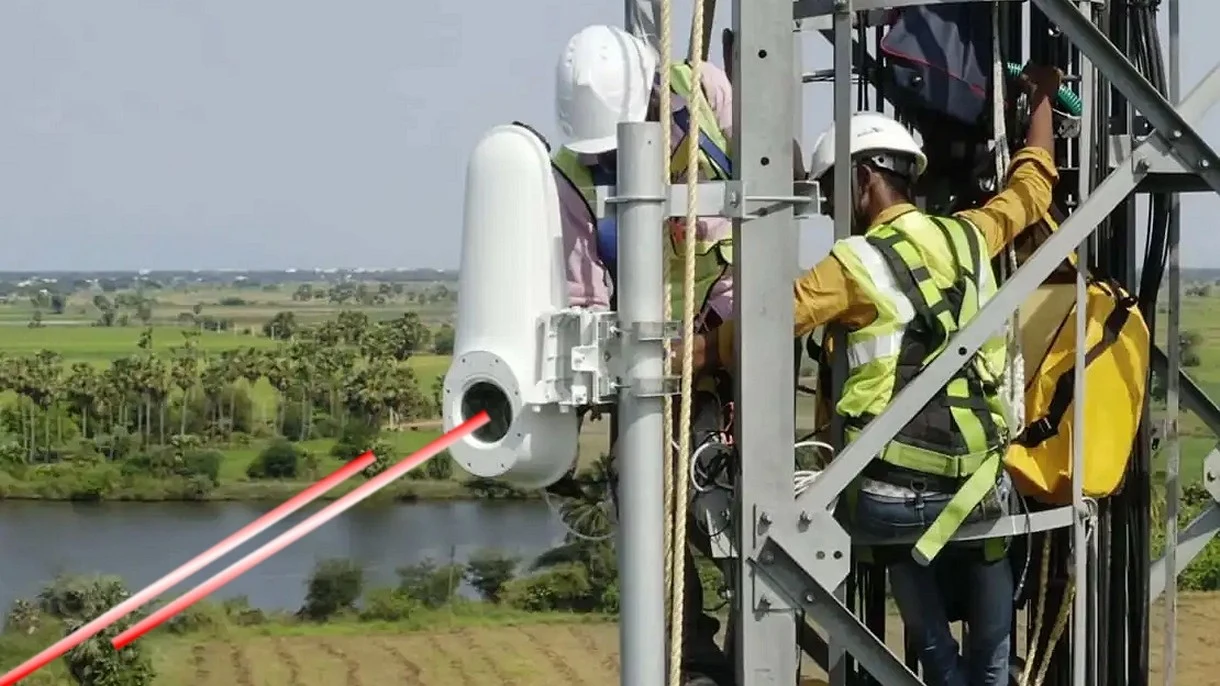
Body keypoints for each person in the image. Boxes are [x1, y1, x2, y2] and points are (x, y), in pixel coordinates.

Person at [681, 65, 1064, 686]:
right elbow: (1032, 189)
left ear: (861, 181)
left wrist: (694, 353)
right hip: (980, 485)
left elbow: (763, 323)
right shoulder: (970, 236)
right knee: (992, 654)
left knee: (932, 645)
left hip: (890, 501)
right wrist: (1042, 100)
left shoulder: (851, 265)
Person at [549, 23, 738, 686]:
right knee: (649, 521)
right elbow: (583, 294)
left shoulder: (709, 95)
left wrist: (716, 342)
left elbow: (750, 230)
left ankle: (755, 651)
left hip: (726, 345)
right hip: (642, 368)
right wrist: (620, 361)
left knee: (736, 514)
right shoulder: (572, 171)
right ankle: (691, 660)